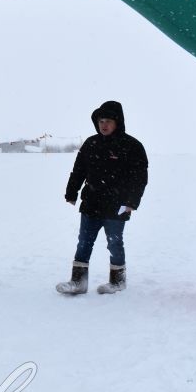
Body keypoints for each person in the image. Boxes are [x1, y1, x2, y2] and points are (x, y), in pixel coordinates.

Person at [56, 100, 148, 295]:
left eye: (107, 121)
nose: (103, 125)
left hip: (117, 205)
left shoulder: (132, 146)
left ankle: (117, 281)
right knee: (84, 241)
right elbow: (78, 170)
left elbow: (140, 177)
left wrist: (132, 202)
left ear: (117, 122)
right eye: (100, 121)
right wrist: (71, 192)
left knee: (114, 242)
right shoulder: (91, 143)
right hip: (91, 202)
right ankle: (78, 282)